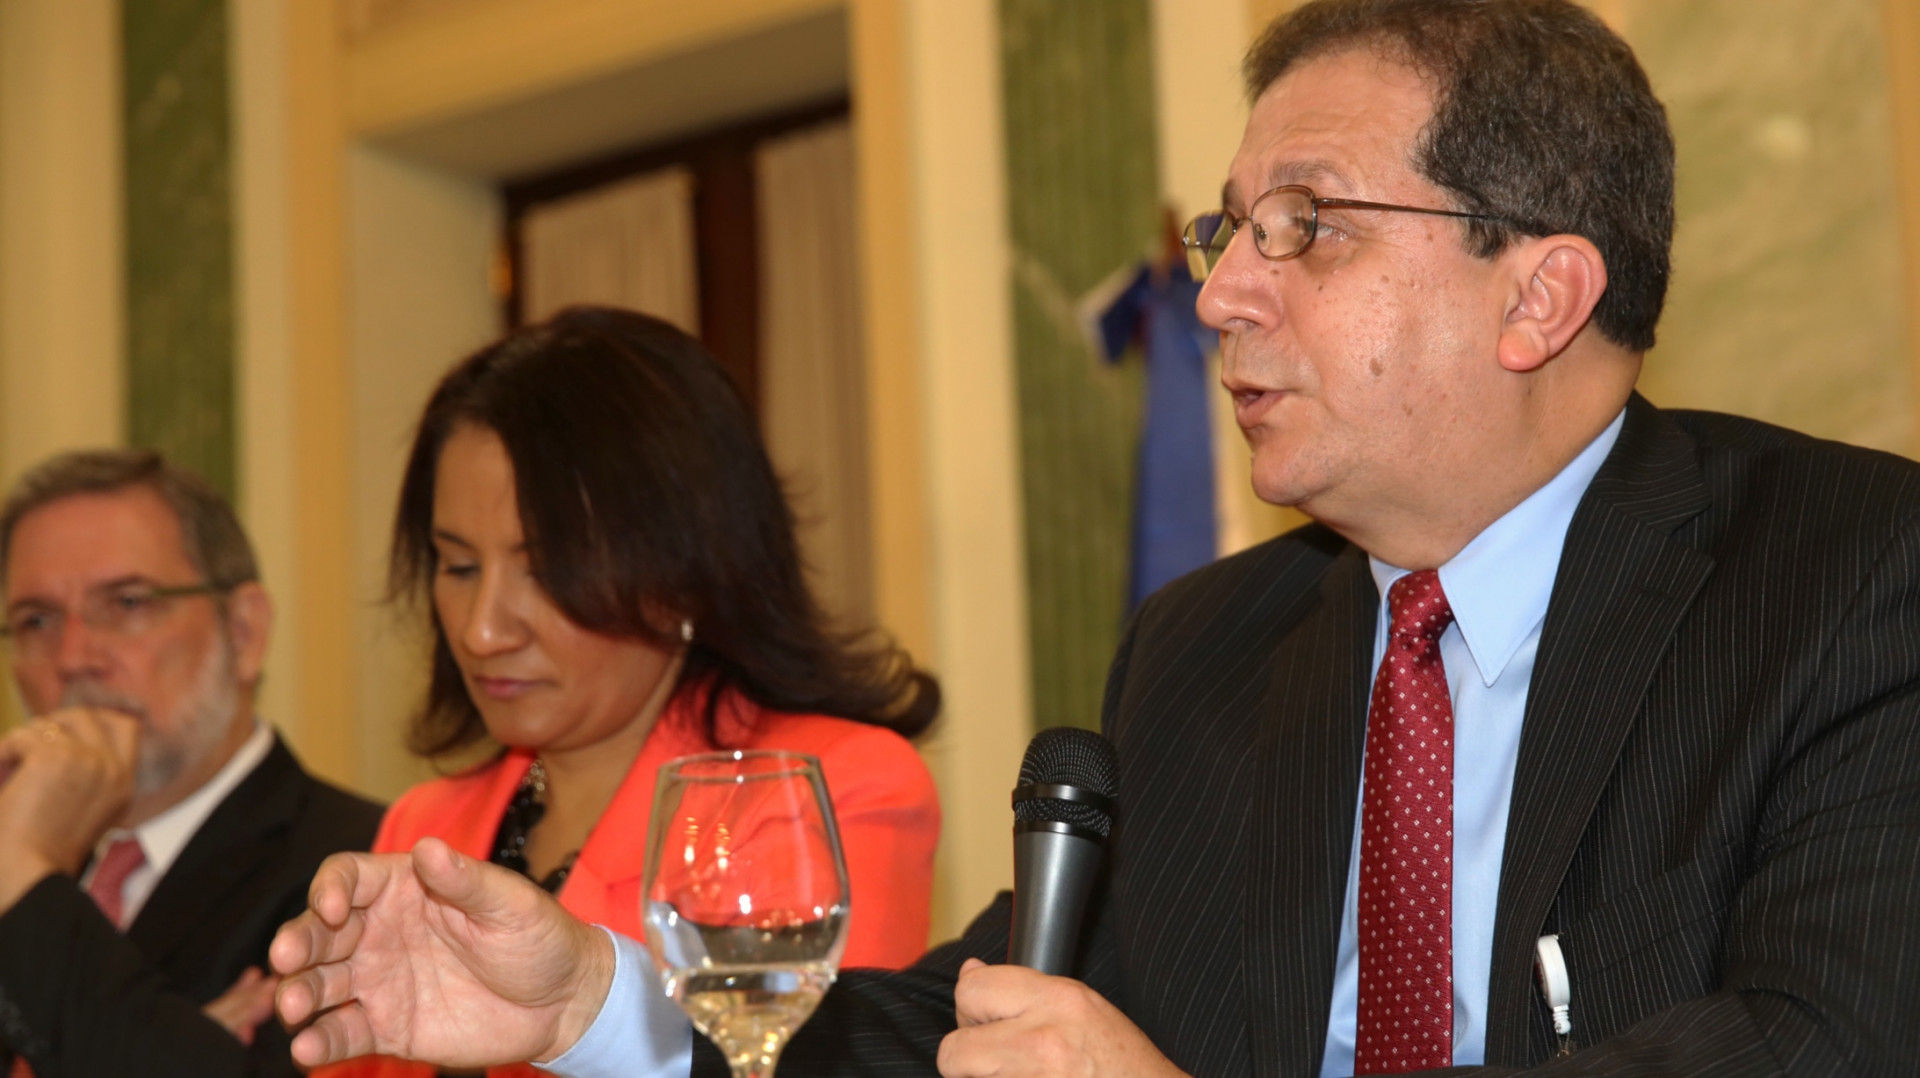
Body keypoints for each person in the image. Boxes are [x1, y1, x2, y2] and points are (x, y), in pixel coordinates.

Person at [271, 1, 1920, 1075]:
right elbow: (978, 1022)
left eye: (1306, 228)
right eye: (1228, 229)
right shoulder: (1211, 649)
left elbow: (1821, 1044)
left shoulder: (1846, 579)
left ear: (1539, 295)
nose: (1221, 294)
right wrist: (589, 997)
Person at [313, 307, 943, 1078]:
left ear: (685, 572)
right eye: (460, 567)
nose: (482, 631)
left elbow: (823, 1065)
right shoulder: (425, 826)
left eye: (546, 570)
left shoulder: (823, 790)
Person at [0, 449, 383, 1077]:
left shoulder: (358, 870)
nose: (72, 658)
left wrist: (22, 878)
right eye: (36, 620)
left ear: (244, 633)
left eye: (127, 602)